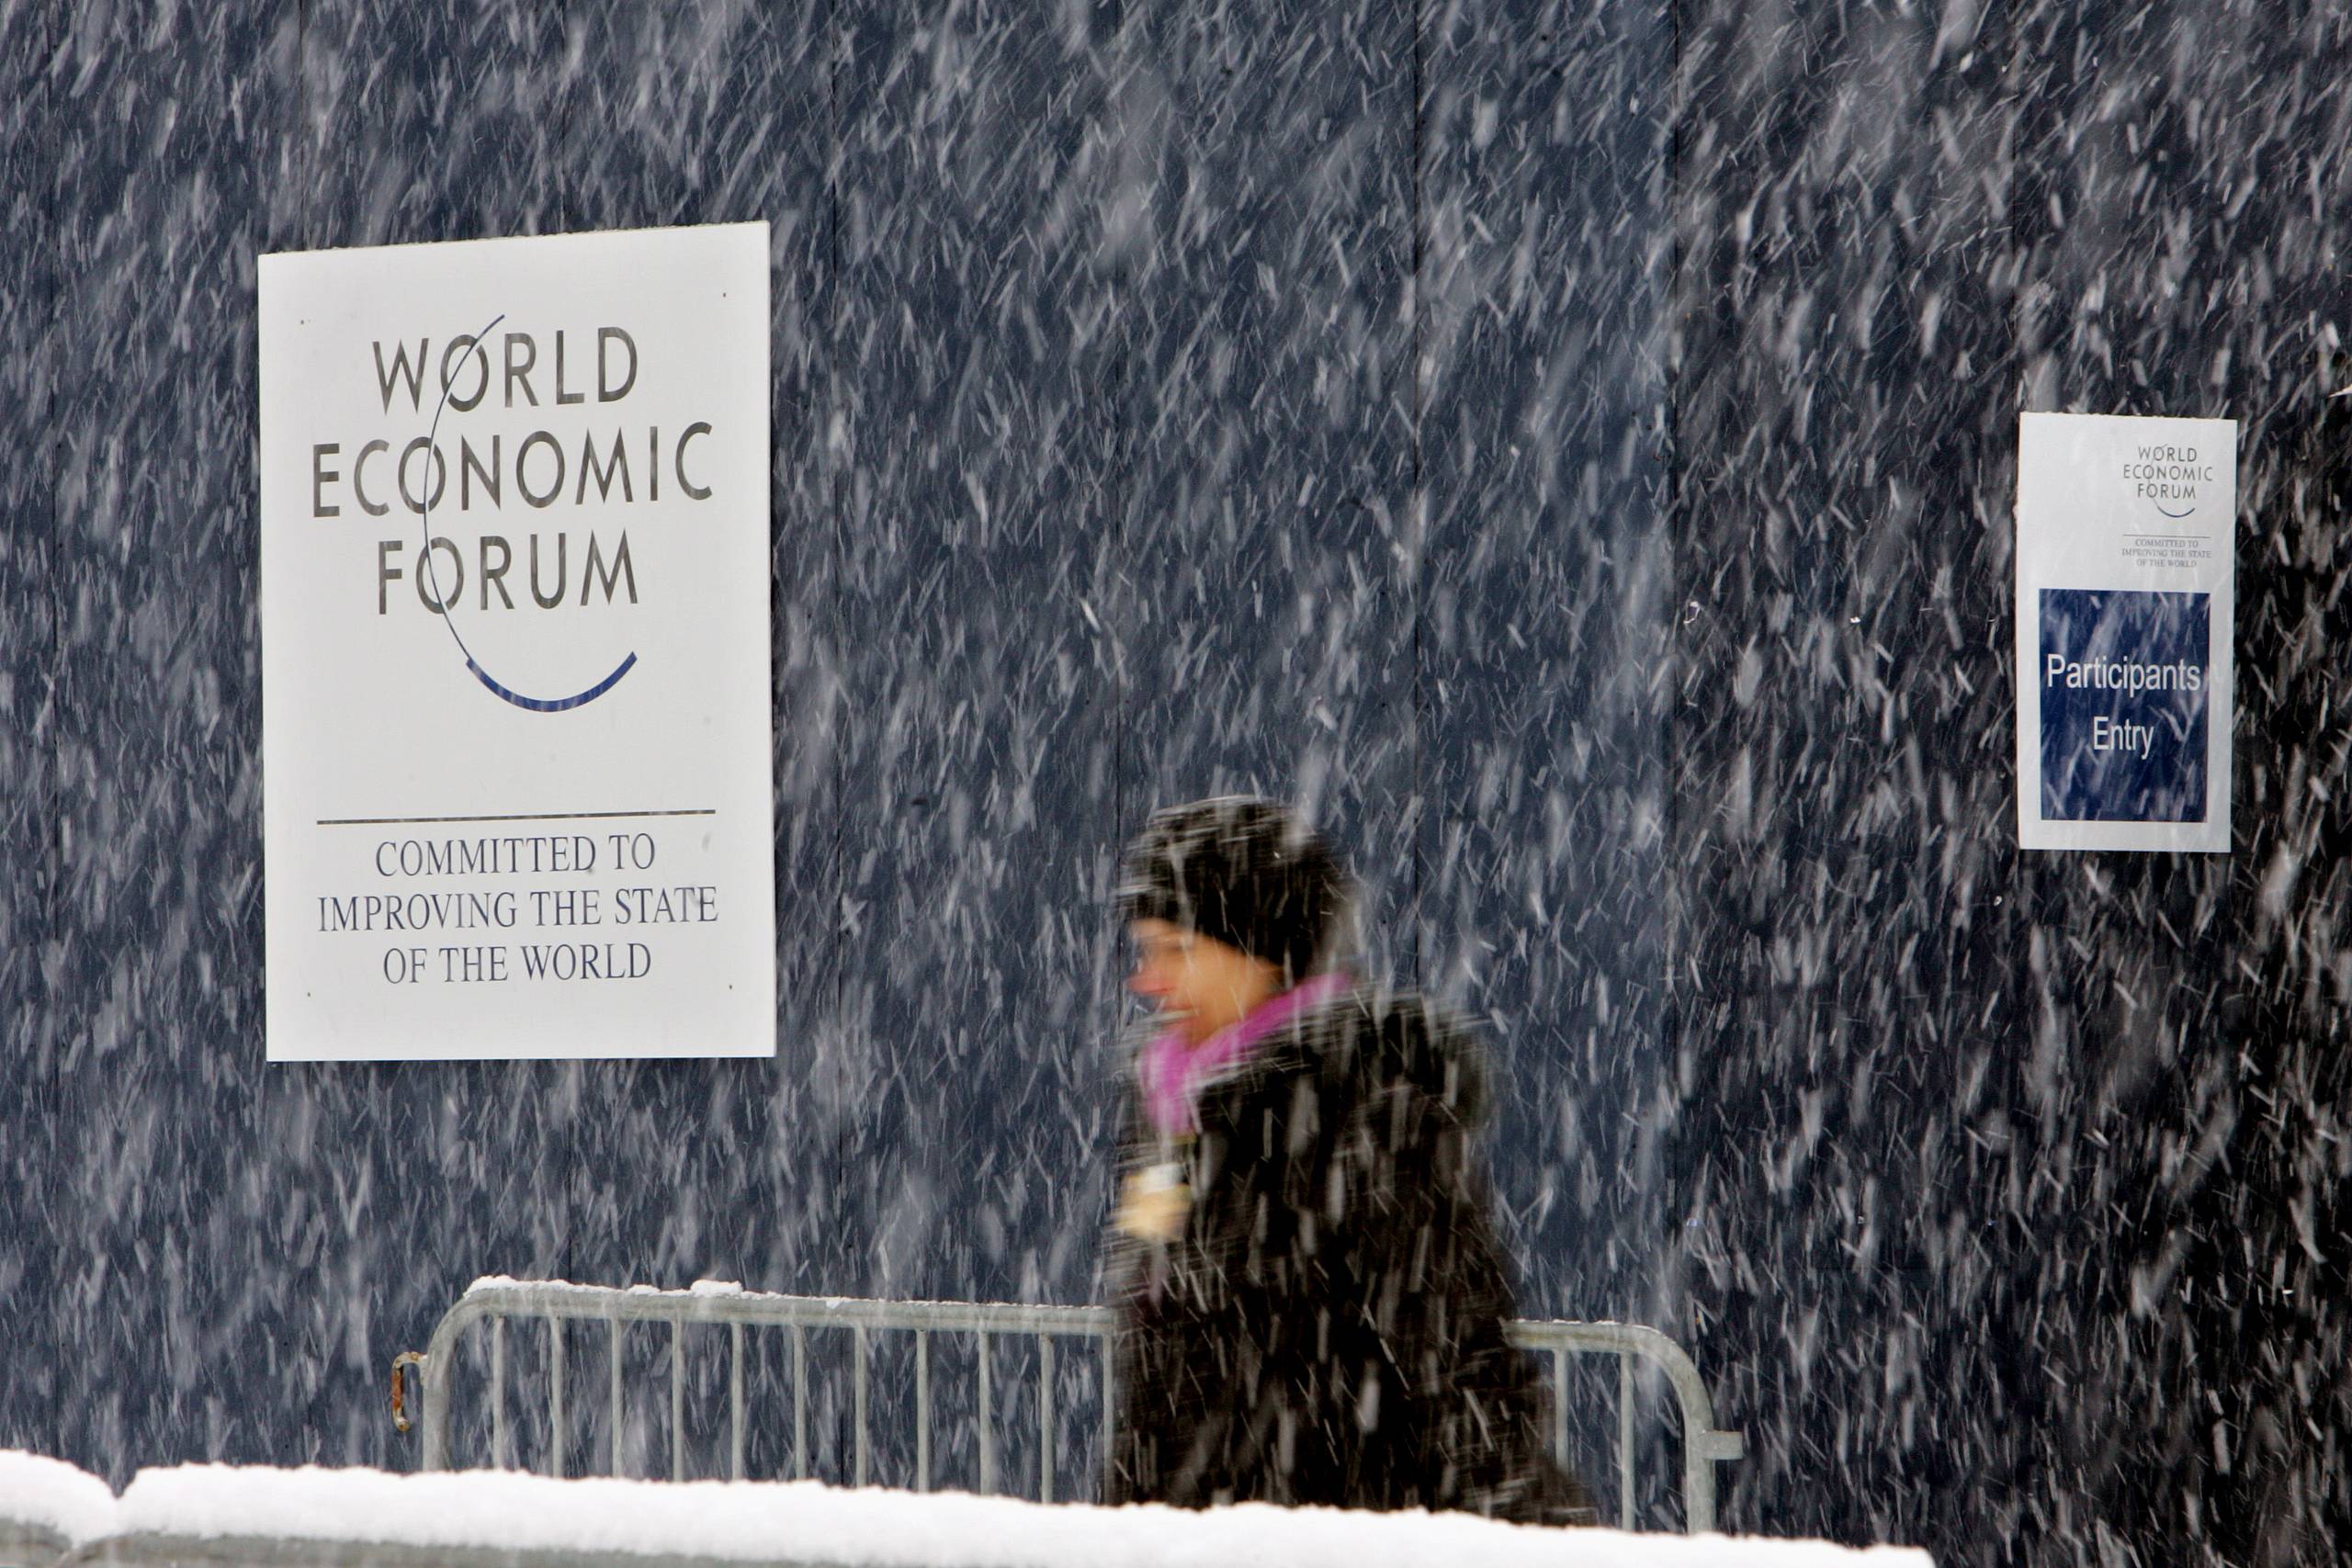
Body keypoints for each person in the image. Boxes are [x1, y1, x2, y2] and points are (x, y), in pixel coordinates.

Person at [1100, 795, 1595, 1526]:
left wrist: (1538, 1535)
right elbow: (1159, 1380)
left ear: (1264, 954)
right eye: (1146, 950)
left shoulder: (1369, 1115)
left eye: (1177, 950)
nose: (1149, 980)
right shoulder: (1171, 1118)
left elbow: (1459, 1367)